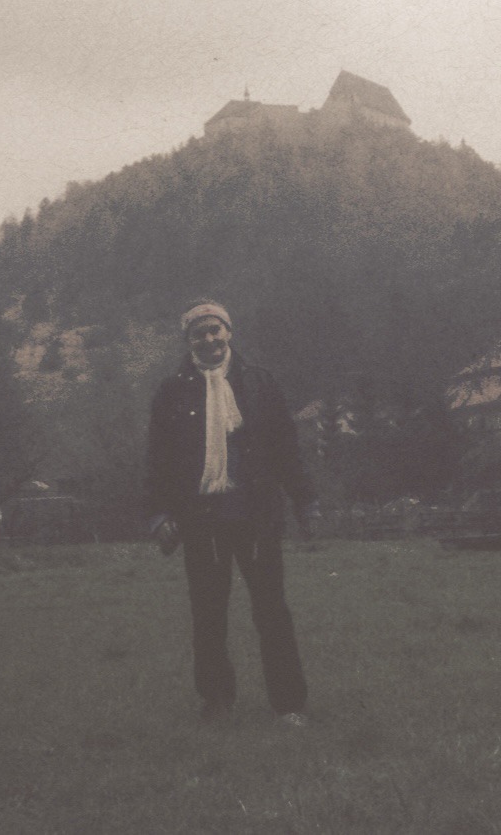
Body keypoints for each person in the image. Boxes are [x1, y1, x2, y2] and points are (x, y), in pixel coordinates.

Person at [138, 299, 319, 726]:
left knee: (272, 611)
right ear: (188, 341)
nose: (209, 339)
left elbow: (286, 450)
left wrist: (305, 500)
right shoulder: (171, 392)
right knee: (208, 613)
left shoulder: (260, 384)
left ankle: (289, 705)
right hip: (201, 520)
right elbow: (157, 460)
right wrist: (158, 515)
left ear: (229, 333)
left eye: (215, 330)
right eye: (199, 333)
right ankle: (217, 701)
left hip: (257, 516)